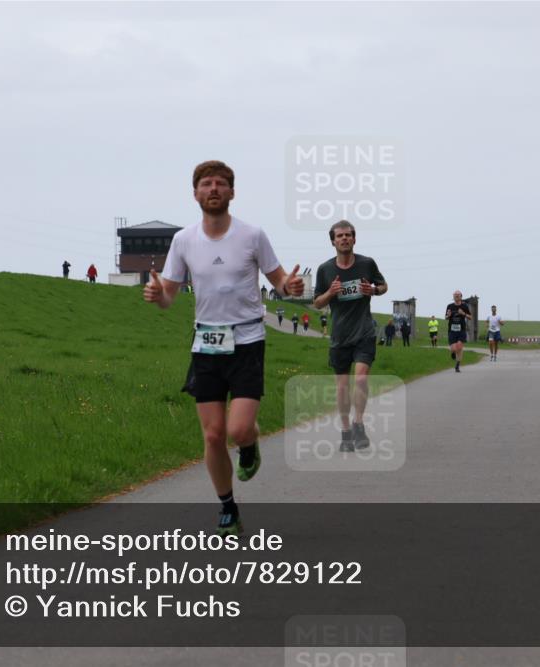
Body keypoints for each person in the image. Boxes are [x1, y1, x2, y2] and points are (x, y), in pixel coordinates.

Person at [143, 160, 303, 536]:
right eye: (206, 184)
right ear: (195, 193)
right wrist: (157, 294)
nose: (213, 189)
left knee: (239, 429)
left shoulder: (252, 236)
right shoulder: (183, 240)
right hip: (206, 344)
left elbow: (279, 280)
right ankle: (228, 507)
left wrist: (290, 287)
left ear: (232, 192)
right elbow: (169, 295)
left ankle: (249, 444)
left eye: (220, 183)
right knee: (213, 435)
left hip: (247, 341)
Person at [313, 220, 387, 452]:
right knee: (343, 387)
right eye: (339, 236)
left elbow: (383, 286)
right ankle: (346, 432)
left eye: (348, 235)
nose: (344, 238)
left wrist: (372, 290)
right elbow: (317, 303)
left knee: (361, 378)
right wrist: (330, 292)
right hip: (340, 336)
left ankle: (358, 423)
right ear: (333, 242)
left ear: (354, 239)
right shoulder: (325, 269)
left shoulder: (367, 263)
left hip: (364, 331)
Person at [445, 290, 472, 373]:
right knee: (454, 349)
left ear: (461, 296)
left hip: (461, 330)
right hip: (452, 331)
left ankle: (457, 365)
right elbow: (446, 317)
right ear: (453, 296)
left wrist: (463, 313)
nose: (456, 296)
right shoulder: (449, 306)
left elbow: (470, 317)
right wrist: (448, 315)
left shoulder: (464, 306)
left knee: (459, 347)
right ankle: (453, 352)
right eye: (455, 295)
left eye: (458, 295)